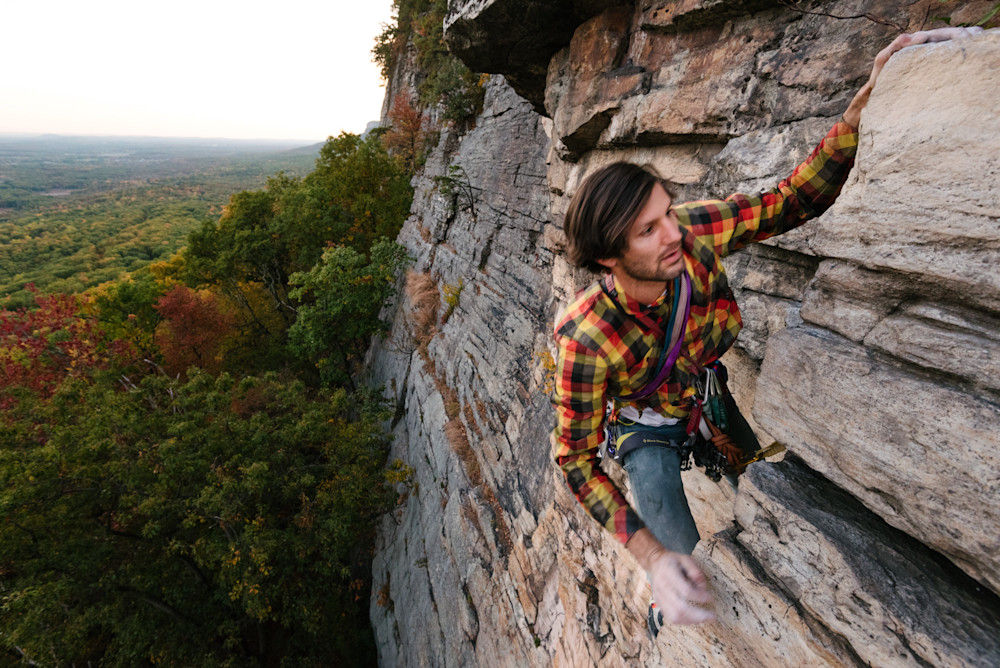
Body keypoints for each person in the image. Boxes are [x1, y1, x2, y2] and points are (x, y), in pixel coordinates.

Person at [551, 27, 983, 632]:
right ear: (607, 259)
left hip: (702, 392)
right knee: (683, 561)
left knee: (761, 479)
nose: (672, 234)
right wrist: (651, 557)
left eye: (666, 213)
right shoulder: (585, 339)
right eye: (648, 232)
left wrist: (865, 102)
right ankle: (665, 606)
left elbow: (791, 201)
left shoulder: (693, 231)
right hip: (644, 427)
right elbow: (575, 462)